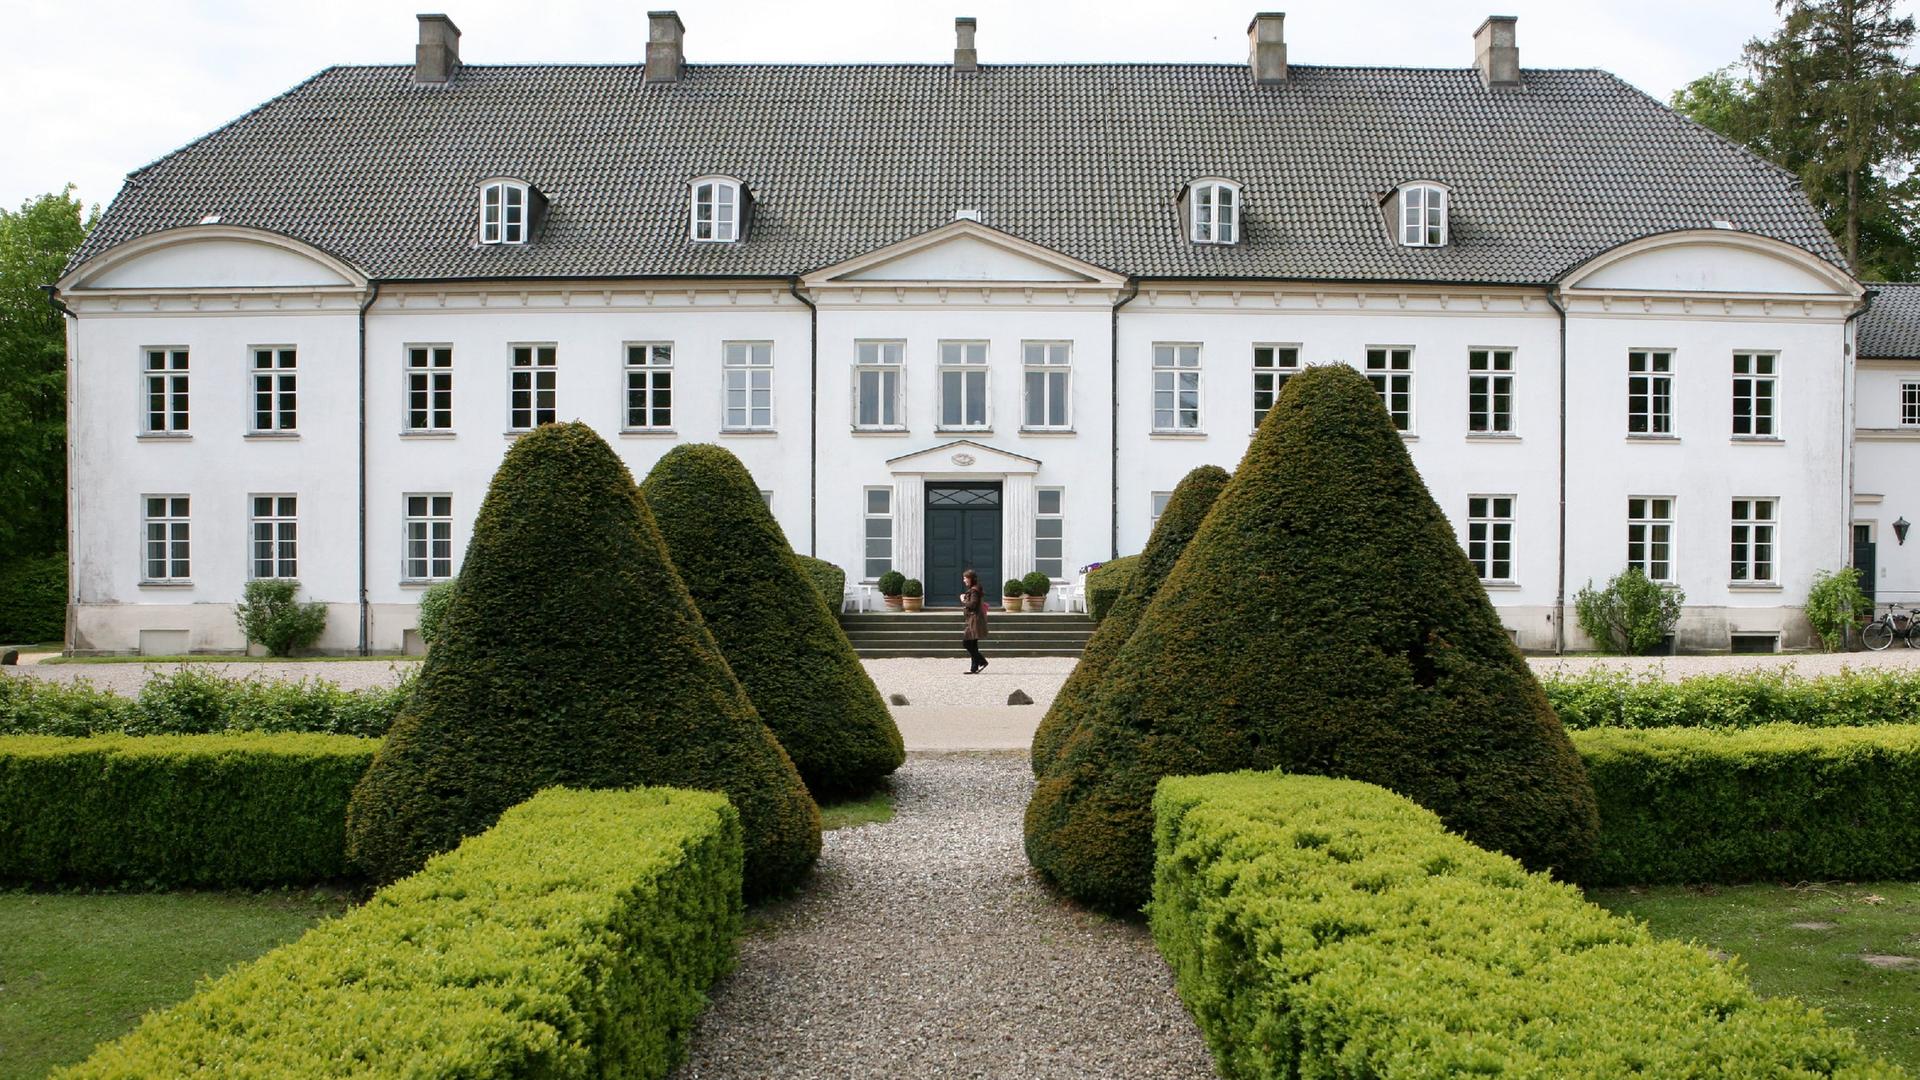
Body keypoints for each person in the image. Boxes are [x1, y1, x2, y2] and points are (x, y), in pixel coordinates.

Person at [960, 568, 989, 674]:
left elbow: (972, 605)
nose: (964, 580)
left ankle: (982, 661)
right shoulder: (975, 589)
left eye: (965, 578)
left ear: (970, 578)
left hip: (974, 620)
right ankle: (974, 667)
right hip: (973, 619)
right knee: (973, 644)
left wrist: (963, 600)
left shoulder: (974, 590)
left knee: (967, 643)